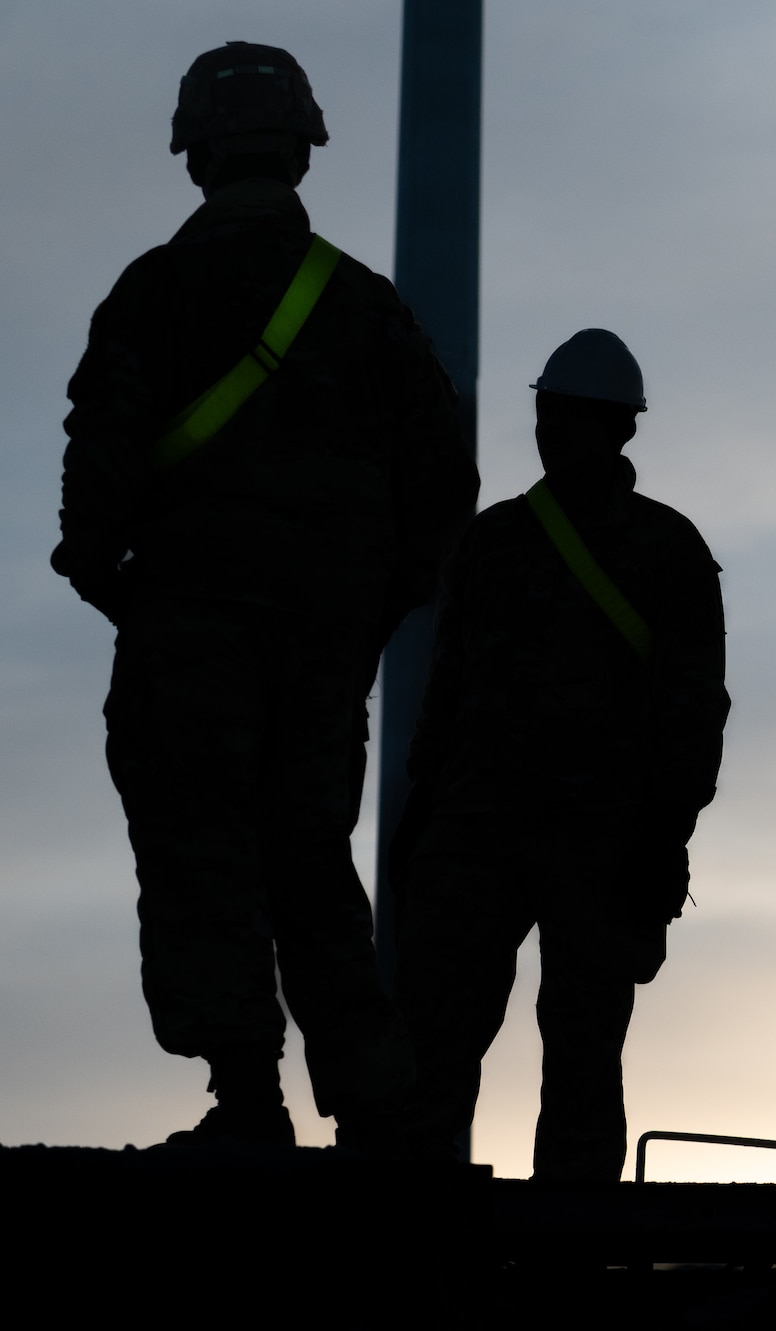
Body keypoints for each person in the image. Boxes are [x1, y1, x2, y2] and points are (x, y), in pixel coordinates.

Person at [51, 42, 477, 1150]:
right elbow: (445, 480)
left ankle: (247, 1099)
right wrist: (371, 609)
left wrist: (127, 590)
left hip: (189, 626)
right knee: (309, 860)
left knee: (203, 850)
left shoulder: (156, 293)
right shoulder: (366, 308)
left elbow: (96, 470)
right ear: (300, 148)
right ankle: (376, 1104)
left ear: (195, 153)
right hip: (324, 641)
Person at [393, 330, 729, 1181]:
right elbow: (449, 689)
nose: (553, 431)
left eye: (570, 416)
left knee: (576, 1054)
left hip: (589, 839)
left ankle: (563, 1252)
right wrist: (421, 808)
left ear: (617, 429)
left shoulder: (657, 549)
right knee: (443, 1045)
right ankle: (432, 1248)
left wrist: (666, 835)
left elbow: (695, 710)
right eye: (549, 414)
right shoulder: (501, 541)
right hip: (500, 832)